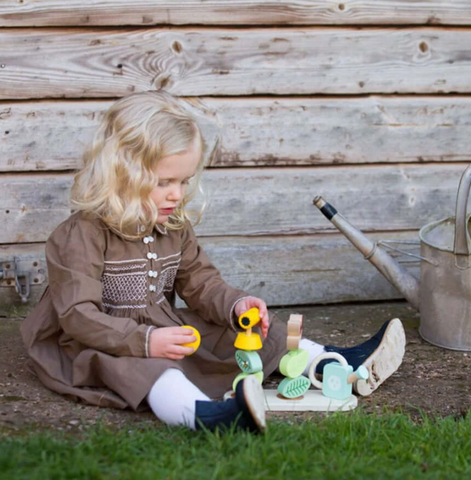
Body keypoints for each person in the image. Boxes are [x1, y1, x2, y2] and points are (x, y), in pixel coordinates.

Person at [21, 91, 406, 434]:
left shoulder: (172, 224)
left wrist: (236, 305)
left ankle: (330, 363)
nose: (176, 194)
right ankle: (206, 414)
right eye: (163, 182)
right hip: (97, 342)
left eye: (184, 181)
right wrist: (145, 340)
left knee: (233, 331)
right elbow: (77, 314)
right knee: (148, 368)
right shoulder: (83, 234)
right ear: (121, 175)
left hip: (159, 329)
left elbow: (200, 283)